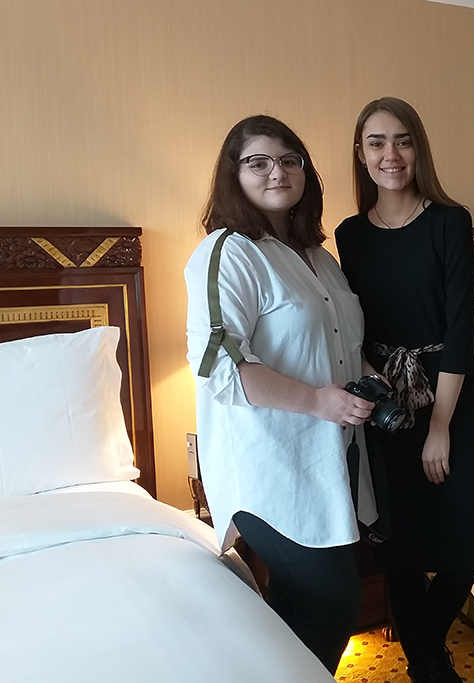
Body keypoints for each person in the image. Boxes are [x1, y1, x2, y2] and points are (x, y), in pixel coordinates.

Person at [184, 114, 377, 674]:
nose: (277, 172)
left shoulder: (319, 258)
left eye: (290, 160)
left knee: (303, 609)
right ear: (234, 174)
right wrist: (318, 401)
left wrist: (369, 374)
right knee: (331, 603)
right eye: (259, 162)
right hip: (270, 466)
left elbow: (341, 341)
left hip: (330, 458)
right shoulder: (228, 252)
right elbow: (221, 367)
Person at [334, 97, 474, 683]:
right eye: (376, 142)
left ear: (417, 148)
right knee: (398, 549)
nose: (391, 154)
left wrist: (441, 427)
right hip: (388, 404)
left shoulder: (450, 221)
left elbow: (461, 330)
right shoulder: (349, 235)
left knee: (466, 547)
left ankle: (423, 651)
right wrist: (366, 382)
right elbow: (352, 326)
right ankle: (430, 667)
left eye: (402, 140)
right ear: (361, 154)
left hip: (451, 395)